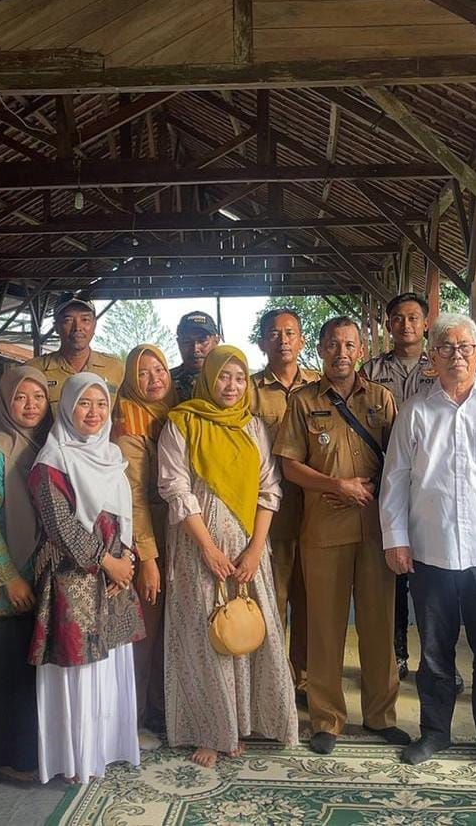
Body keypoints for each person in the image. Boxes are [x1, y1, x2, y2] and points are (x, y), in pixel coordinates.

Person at [379, 313, 476, 772]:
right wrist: (397, 540)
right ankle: (434, 733)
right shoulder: (415, 412)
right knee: (433, 650)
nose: (456, 356)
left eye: (465, 347)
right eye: (446, 348)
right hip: (430, 553)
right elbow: (396, 482)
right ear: (432, 356)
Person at [157, 345, 296, 768]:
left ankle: (245, 723)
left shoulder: (254, 428)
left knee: (251, 628)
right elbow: (175, 488)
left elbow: (270, 490)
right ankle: (211, 731)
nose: (232, 386)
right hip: (199, 545)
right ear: (208, 378)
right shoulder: (181, 423)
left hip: (247, 547)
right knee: (205, 637)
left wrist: (255, 549)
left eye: (239, 377)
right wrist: (208, 548)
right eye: (224, 377)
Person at [275, 317, 407, 755]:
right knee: (325, 628)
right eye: (333, 344)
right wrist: (338, 486)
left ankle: (381, 715)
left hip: (376, 530)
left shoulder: (382, 399)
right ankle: (327, 719)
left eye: (350, 344)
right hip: (324, 529)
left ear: (362, 348)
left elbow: (402, 460)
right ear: (321, 349)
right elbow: (290, 466)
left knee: (379, 625)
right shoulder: (302, 401)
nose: (342, 352)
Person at [28, 373, 144, 783]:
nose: (93, 413)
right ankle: (76, 757)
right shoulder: (52, 460)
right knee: (78, 669)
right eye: (83, 403)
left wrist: (125, 559)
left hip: (114, 577)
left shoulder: (111, 454)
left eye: (100, 404)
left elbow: (122, 514)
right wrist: (106, 562)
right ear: (67, 408)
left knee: (109, 664)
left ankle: (108, 747)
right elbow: (61, 525)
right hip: (72, 580)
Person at [0, 365, 52, 782]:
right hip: (7, 585)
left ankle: (26, 755)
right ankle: (0, 760)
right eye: (21, 397)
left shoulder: (48, 441)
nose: (31, 405)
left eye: (38, 397)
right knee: (5, 675)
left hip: (40, 575)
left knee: (27, 674)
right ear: (4, 399)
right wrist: (8, 578)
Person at [361, 292, 437, 680]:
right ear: (387, 325)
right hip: (384, 481)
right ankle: (396, 653)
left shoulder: (440, 365)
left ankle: (435, 660)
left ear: (426, 323)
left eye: (413, 318)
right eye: (397, 318)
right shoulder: (370, 370)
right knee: (392, 569)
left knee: (429, 573)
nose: (405, 325)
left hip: (430, 484)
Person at [250, 308, 320, 699]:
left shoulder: (319, 385)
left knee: (311, 601)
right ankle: (273, 685)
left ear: (302, 340)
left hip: (314, 509)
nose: (283, 340)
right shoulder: (248, 390)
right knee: (271, 600)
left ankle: (306, 682)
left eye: (290, 332)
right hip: (269, 514)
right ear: (262, 342)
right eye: (274, 334)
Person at [111, 344, 179, 743]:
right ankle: (133, 717)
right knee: (145, 629)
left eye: (159, 370)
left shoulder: (176, 412)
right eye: (143, 373)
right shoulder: (126, 421)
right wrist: (148, 557)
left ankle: (163, 707)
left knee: (172, 629)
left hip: (178, 531)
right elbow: (134, 497)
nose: (154, 380)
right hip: (147, 536)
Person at [26, 297, 126, 406]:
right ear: (56, 327)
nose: (77, 327)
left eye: (85, 320)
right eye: (68, 320)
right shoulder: (35, 370)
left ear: (94, 325)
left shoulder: (115, 368)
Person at [170, 310, 220, 400]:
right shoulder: (164, 382)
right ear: (178, 343)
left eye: (202, 341)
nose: (195, 349)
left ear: (216, 341)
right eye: (186, 342)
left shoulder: (232, 380)